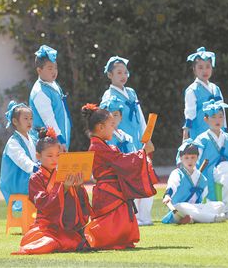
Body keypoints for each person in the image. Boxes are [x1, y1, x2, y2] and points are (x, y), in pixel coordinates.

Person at [81, 104, 157, 250]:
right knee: (111, 223)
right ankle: (97, 238)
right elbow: (121, 161)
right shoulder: (97, 147)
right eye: (111, 125)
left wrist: (142, 153)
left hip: (113, 190)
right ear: (100, 127)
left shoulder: (103, 145)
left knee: (119, 223)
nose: (114, 128)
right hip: (108, 192)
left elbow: (120, 159)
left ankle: (118, 240)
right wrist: (143, 153)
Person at [13, 127, 91, 255]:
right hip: (45, 226)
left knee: (78, 242)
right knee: (50, 242)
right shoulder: (36, 178)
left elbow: (77, 203)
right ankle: (32, 247)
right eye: (49, 155)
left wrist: (77, 187)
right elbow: (43, 204)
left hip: (63, 227)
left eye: (58, 155)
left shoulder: (63, 174)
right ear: (38, 156)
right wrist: (63, 188)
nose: (54, 159)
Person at [100, 56, 153, 225]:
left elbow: (140, 116)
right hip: (120, 142)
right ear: (110, 75)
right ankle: (129, 215)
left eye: (125, 72)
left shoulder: (131, 92)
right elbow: (106, 121)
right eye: (118, 72)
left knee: (140, 175)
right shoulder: (108, 95)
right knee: (126, 177)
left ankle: (142, 216)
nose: (123, 76)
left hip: (136, 139)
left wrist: (147, 137)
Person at [162, 139, 225, 224]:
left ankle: (192, 219)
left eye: (193, 157)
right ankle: (214, 218)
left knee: (220, 205)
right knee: (183, 206)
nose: (190, 160)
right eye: (186, 158)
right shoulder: (177, 173)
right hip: (178, 210)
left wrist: (203, 207)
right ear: (181, 158)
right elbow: (172, 185)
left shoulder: (202, 179)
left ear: (197, 158)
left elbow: (202, 199)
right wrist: (167, 195)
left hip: (195, 207)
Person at [29, 45, 72, 151]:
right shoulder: (40, 92)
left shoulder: (52, 84)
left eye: (55, 67)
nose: (54, 71)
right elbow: (49, 120)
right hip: (49, 146)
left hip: (57, 143)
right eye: (50, 68)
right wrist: (60, 140)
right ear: (39, 70)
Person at [0, 101, 38, 211]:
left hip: (31, 177)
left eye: (31, 118)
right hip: (17, 181)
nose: (29, 121)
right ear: (15, 121)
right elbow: (22, 160)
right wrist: (35, 168)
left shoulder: (33, 139)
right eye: (26, 118)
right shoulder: (13, 143)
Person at [183, 47, 226, 140]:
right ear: (194, 69)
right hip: (200, 134)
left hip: (218, 134)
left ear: (212, 68)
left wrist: (224, 131)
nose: (204, 70)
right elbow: (189, 114)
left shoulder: (216, 89)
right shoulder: (192, 90)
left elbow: (223, 112)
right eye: (200, 67)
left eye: (207, 66)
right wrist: (185, 135)